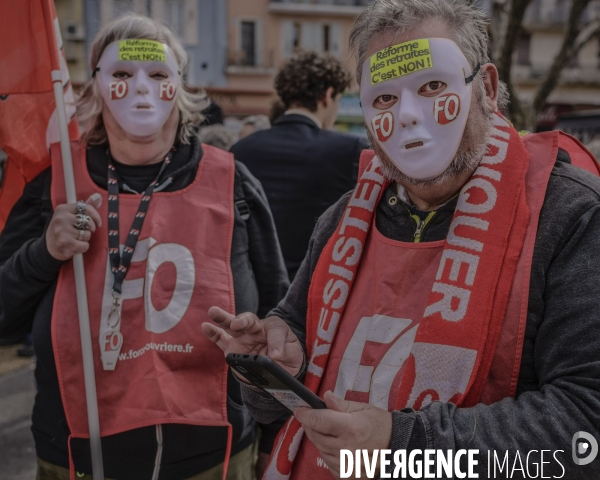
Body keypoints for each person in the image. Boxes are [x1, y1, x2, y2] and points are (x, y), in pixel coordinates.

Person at [204, 0, 600, 478]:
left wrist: (407, 447)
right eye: (385, 98)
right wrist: (270, 371)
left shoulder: (570, 216)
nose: (409, 115)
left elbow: (584, 433)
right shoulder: (342, 220)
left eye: (433, 86)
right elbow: (278, 404)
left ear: (488, 88)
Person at [0, 14, 289, 480]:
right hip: (79, 455)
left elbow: (282, 317)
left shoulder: (232, 181)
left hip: (216, 453)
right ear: (95, 86)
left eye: (158, 75)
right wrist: (44, 253)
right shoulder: (56, 184)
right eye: (121, 75)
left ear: (180, 86)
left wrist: (275, 440)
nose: (141, 89)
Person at [231, 52, 368, 281]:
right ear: (328, 95)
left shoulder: (240, 150)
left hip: (256, 288)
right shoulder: (351, 150)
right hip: (317, 284)